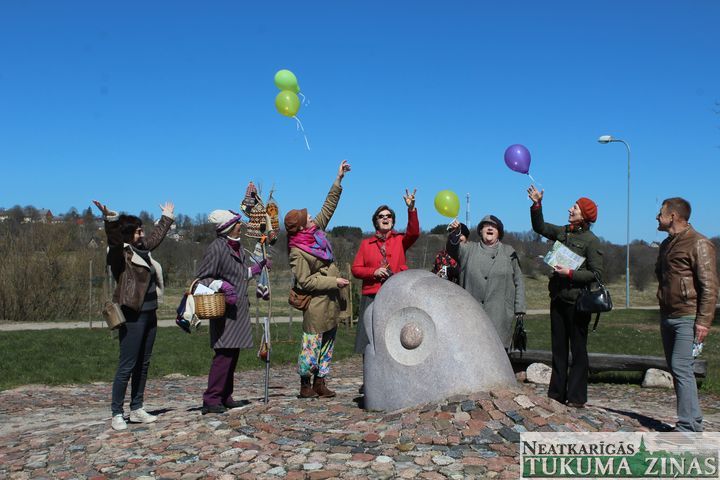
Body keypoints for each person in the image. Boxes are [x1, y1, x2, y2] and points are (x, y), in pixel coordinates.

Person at [93, 199, 174, 431]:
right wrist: (111, 220)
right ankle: (117, 412)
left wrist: (167, 217)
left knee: (143, 363)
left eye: (142, 230)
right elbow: (113, 240)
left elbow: (156, 237)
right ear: (128, 234)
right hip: (132, 316)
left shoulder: (143, 249)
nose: (142, 234)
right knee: (127, 364)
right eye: (138, 231)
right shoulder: (119, 255)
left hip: (150, 314)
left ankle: (137, 408)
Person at [527, 185, 604, 408]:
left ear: (585, 215)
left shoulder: (592, 241)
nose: (570, 209)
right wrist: (536, 204)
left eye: (575, 207)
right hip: (558, 298)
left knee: (578, 350)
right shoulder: (563, 232)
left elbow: (596, 274)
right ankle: (556, 394)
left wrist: (570, 273)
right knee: (558, 349)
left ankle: (577, 397)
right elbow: (540, 227)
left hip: (578, 303)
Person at [286, 160, 351, 398]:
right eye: (308, 217)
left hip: (332, 300)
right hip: (316, 304)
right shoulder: (297, 251)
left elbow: (328, 206)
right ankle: (305, 384)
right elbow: (305, 281)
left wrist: (338, 179)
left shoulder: (315, 232)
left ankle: (320, 382)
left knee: (328, 341)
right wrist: (334, 281)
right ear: (301, 227)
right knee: (311, 345)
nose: (312, 216)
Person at [195, 209, 268, 414]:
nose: (240, 226)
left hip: (239, 309)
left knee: (233, 353)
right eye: (237, 223)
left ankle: (225, 395)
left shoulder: (238, 248)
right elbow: (202, 279)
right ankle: (211, 399)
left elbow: (240, 274)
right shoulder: (216, 248)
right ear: (227, 227)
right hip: (224, 311)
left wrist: (256, 269)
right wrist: (221, 285)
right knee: (224, 354)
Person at [655, 197, 718, 431]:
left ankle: (688, 428)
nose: (657, 217)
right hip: (668, 314)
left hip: (688, 316)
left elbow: (710, 286)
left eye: (660, 213)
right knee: (677, 369)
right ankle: (693, 421)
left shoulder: (699, 243)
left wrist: (704, 321)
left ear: (673, 216)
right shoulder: (666, 244)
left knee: (681, 367)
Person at [351, 189, 419, 355]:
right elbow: (356, 269)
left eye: (388, 216)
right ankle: (370, 368)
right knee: (370, 337)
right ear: (376, 222)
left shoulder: (400, 240)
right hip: (372, 295)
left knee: (394, 336)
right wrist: (373, 272)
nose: (385, 218)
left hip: (395, 293)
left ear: (393, 221)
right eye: (381, 216)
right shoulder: (366, 244)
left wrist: (411, 209)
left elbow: (414, 232)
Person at [448, 215, 525, 349]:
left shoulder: (509, 252)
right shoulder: (468, 249)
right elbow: (452, 249)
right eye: (486, 225)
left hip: (500, 315)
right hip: (471, 315)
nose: (490, 228)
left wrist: (519, 309)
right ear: (480, 231)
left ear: (499, 232)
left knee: (498, 353)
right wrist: (455, 233)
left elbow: (519, 281)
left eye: (494, 226)